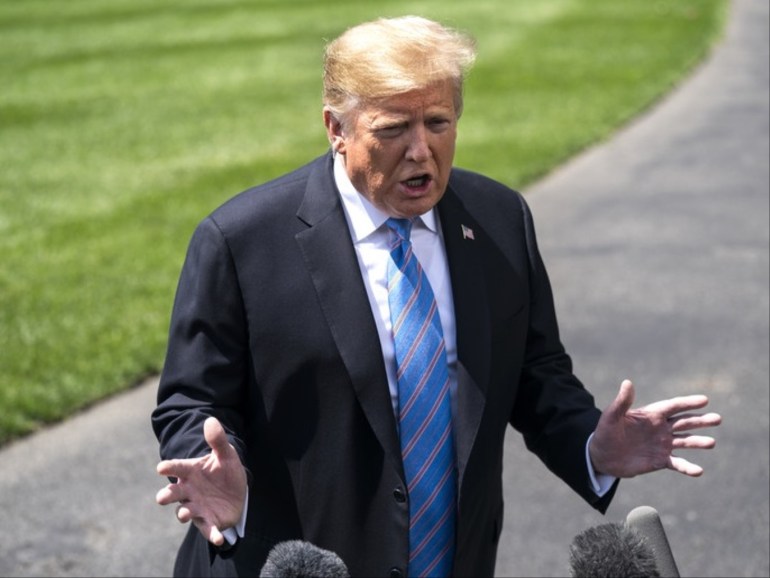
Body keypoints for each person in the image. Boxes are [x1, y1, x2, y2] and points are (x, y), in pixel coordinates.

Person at [151, 15, 721, 578]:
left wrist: (591, 447)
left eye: (438, 122)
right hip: (294, 564)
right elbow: (190, 401)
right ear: (336, 129)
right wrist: (218, 476)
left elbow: (535, 373)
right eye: (394, 129)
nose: (422, 150)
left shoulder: (499, 220)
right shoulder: (241, 242)